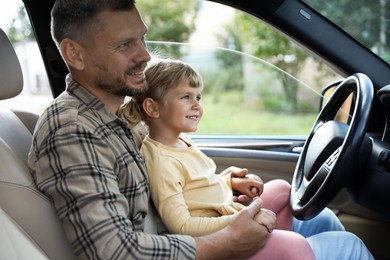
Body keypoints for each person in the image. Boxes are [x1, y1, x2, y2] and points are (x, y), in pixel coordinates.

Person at [27, 0, 374, 259]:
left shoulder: (118, 115)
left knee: (318, 219)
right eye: (124, 45)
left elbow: (164, 185)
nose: (145, 55)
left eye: (142, 39)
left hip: (187, 233)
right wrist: (226, 240)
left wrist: (222, 184)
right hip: (188, 246)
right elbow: (114, 252)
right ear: (74, 53)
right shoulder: (73, 130)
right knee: (346, 246)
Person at [120, 58, 316, 259]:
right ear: (153, 108)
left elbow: (197, 186)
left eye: (198, 97)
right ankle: (285, 249)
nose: (196, 105)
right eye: (186, 97)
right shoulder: (161, 161)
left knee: (282, 190)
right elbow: (181, 225)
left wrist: (229, 181)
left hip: (227, 212)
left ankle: (273, 246)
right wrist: (237, 220)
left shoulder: (181, 139)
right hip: (217, 237)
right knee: (296, 244)